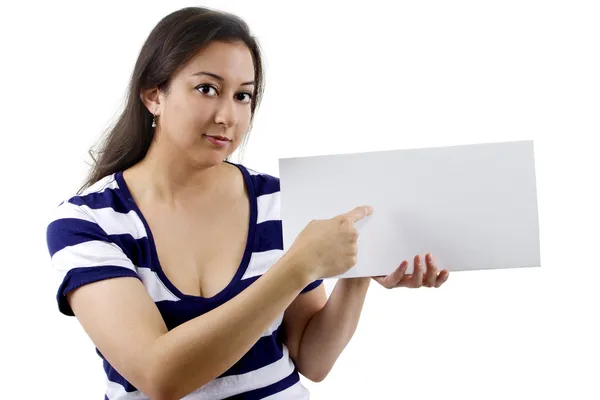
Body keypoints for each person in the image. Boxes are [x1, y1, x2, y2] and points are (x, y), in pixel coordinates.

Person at [45, 6, 450, 400]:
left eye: (243, 96)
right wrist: (300, 265)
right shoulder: (87, 222)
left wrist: (357, 270)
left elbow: (313, 359)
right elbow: (160, 377)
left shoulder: (276, 200)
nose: (228, 115)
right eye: (207, 89)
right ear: (154, 95)